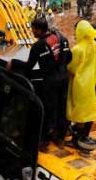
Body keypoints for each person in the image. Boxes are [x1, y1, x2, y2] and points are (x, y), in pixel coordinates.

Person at [8, 17, 71, 145]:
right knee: (61, 107)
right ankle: (60, 137)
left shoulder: (38, 46)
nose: (32, 32)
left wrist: (13, 63)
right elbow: (69, 57)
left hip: (50, 82)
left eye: (33, 30)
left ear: (38, 29)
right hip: (64, 79)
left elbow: (28, 66)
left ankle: (45, 139)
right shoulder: (62, 39)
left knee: (47, 109)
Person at [67, 20, 96, 151]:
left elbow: (72, 68)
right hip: (91, 82)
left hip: (79, 84)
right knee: (88, 111)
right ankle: (83, 137)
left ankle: (75, 140)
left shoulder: (77, 49)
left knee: (78, 112)